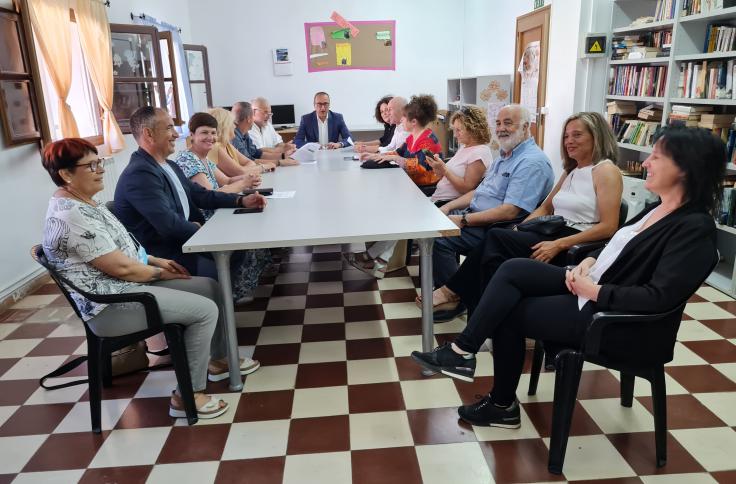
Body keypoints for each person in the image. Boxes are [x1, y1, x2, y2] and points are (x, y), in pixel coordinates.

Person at [411, 126, 722, 429]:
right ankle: (463, 352)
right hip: (591, 286)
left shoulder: (694, 229)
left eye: (656, 157)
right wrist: (589, 260)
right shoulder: (658, 208)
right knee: (512, 269)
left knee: (507, 311)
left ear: (685, 167)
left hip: (611, 317)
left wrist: (595, 290)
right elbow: (618, 247)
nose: (645, 163)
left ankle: (499, 402)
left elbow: (658, 297)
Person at [41, 138, 234, 420]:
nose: (101, 169)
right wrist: (159, 272)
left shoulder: (86, 203)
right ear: (66, 174)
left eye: (100, 162)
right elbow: (123, 269)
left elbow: (124, 246)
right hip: (112, 304)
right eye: (91, 165)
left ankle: (216, 361)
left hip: (128, 285)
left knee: (208, 287)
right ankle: (187, 395)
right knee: (205, 310)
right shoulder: (71, 215)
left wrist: (155, 261)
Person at [424, 111, 623, 322]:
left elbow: (609, 227)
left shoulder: (605, 171)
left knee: (495, 239)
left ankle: (455, 293)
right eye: (566, 136)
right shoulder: (571, 170)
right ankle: (483, 313)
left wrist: (558, 244)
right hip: (549, 231)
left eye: (577, 135)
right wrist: (520, 229)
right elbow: (546, 208)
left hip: (570, 243)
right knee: (494, 255)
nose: (569, 141)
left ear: (596, 136)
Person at [113, 107, 267, 310]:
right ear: (148, 134)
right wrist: (204, 232)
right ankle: (215, 309)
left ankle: (222, 308)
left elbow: (201, 195)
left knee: (238, 247)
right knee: (233, 248)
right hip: (170, 254)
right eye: (169, 128)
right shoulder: (140, 174)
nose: (176, 134)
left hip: (186, 239)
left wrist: (240, 202)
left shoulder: (167, 164)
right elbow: (169, 225)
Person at [345, 105, 492, 278]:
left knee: (404, 214)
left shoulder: (480, 152)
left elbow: (467, 188)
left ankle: (375, 259)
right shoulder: (465, 147)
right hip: (438, 196)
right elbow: (444, 173)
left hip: (450, 203)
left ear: (472, 128)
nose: (456, 134)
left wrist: (443, 171)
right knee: (400, 211)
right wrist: (440, 169)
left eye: (459, 130)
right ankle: (378, 261)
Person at [428, 104, 555, 292]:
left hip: (495, 227)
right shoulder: (505, 155)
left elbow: (510, 211)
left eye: (508, 123)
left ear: (526, 127)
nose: (501, 128)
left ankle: (454, 296)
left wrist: (463, 219)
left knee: (438, 238)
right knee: (434, 224)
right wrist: (448, 208)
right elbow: (480, 192)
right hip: (475, 215)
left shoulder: (531, 163)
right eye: (498, 123)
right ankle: (453, 289)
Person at [174, 112, 273, 301]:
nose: (210, 138)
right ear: (192, 135)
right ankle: (231, 293)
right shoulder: (188, 160)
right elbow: (211, 195)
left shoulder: (204, 158)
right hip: (207, 221)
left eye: (213, 133)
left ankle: (238, 287)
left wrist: (247, 178)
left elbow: (226, 180)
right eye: (204, 133)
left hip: (220, 212)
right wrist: (243, 184)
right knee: (251, 232)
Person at [363, 94, 443, 187]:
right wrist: (373, 156)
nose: (401, 119)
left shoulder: (427, 141)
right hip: (413, 183)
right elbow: (397, 153)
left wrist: (396, 159)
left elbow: (421, 168)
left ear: (413, 122)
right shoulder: (411, 138)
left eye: (404, 116)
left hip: (424, 187)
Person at [207, 107, 275, 178]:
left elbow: (249, 162)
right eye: (232, 123)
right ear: (224, 126)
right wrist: (263, 167)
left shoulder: (227, 145)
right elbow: (240, 172)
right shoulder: (215, 147)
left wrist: (245, 170)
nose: (234, 126)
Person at [231, 101, 298, 166]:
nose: (269, 116)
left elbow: (257, 153)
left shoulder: (244, 133)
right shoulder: (234, 136)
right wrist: (279, 162)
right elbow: (249, 161)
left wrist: (283, 156)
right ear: (249, 118)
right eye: (252, 117)